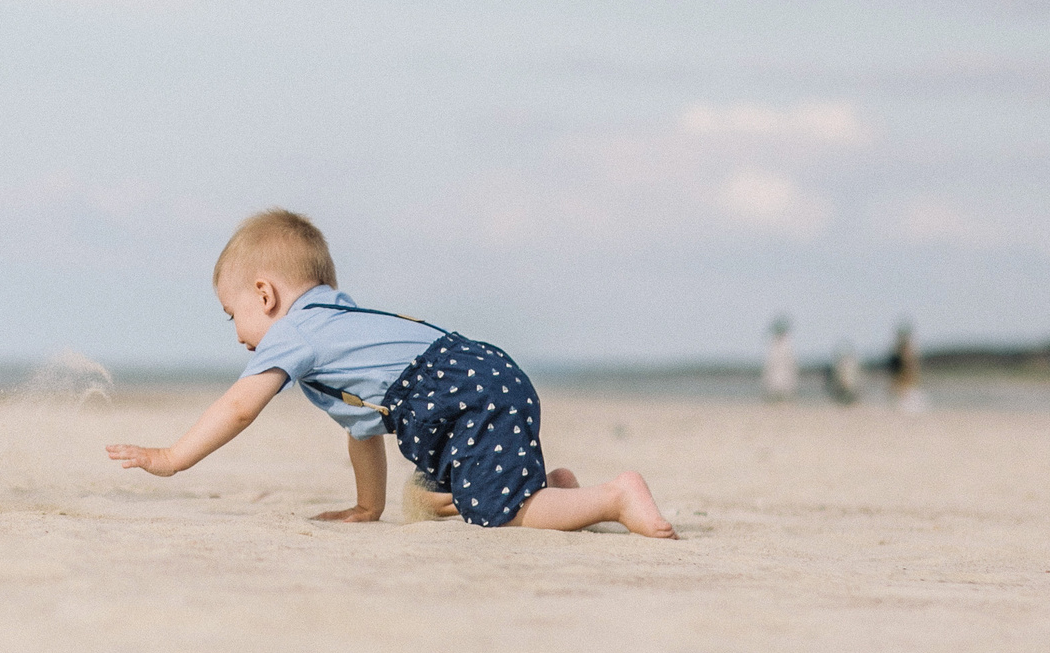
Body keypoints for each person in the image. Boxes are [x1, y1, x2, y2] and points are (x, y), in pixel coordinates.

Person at [105, 209, 677, 536]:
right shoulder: (341, 318)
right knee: (481, 491)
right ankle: (559, 494)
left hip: (454, 392)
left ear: (265, 293)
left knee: (498, 517)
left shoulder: (296, 334)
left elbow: (238, 406)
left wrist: (170, 459)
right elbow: (363, 434)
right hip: (484, 368)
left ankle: (614, 498)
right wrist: (368, 507)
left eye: (235, 316)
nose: (238, 336)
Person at [762, 312, 798, 401]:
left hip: (785, 381)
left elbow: (791, 365)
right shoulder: (773, 344)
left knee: (785, 400)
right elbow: (769, 365)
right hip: (773, 382)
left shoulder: (787, 344)